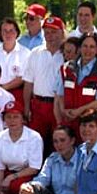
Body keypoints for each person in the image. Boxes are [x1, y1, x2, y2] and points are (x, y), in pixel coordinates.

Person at [22, 15, 66, 149]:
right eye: (47, 32)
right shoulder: (35, 53)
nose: (50, 36)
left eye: (54, 32)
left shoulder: (66, 54)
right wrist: (26, 108)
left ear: (61, 33)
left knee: (59, 144)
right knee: (35, 143)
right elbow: (28, 83)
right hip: (38, 106)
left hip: (58, 105)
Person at [0, 101, 43, 194]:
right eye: (8, 117)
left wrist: (11, 177)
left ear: (23, 119)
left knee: (15, 186)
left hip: (25, 174)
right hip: (7, 172)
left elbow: (34, 168)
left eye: (16, 117)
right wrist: (0, 189)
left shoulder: (34, 137)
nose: (12, 120)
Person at [55, 32, 97, 132]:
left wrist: (79, 111)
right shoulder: (66, 68)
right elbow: (60, 94)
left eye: (92, 47)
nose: (88, 50)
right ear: (79, 48)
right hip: (68, 123)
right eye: (85, 46)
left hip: (90, 127)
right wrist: (63, 110)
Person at [0, 17, 29, 105]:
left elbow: (23, 78)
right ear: (1, 33)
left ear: (17, 33)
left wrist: (3, 87)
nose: (8, 34)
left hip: (16, 94)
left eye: (11, 31)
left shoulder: (25, 53)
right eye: (5, 31)